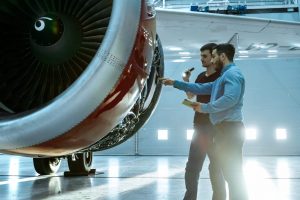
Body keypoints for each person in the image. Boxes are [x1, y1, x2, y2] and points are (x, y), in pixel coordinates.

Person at [162, 43, 248, 200]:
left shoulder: (232, 74)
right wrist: (175, 83)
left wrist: (205, 107)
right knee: (229, 173)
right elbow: (201, 88)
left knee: (231, 173)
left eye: (214, 56)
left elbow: (230, 99)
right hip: (221, 129)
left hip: (229, 130)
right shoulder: (224, 76)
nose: (213, 61)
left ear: (222, 56)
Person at [182, 43, 226, 200]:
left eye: (205, 56)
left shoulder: (221, 78)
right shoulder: (200, 76)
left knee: (215, 168)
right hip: (199, 128)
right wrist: (186, 79)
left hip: (215, 129)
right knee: (192, 167)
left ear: (213, 57)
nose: (201, 59)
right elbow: (190, 96)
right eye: (201, 56)